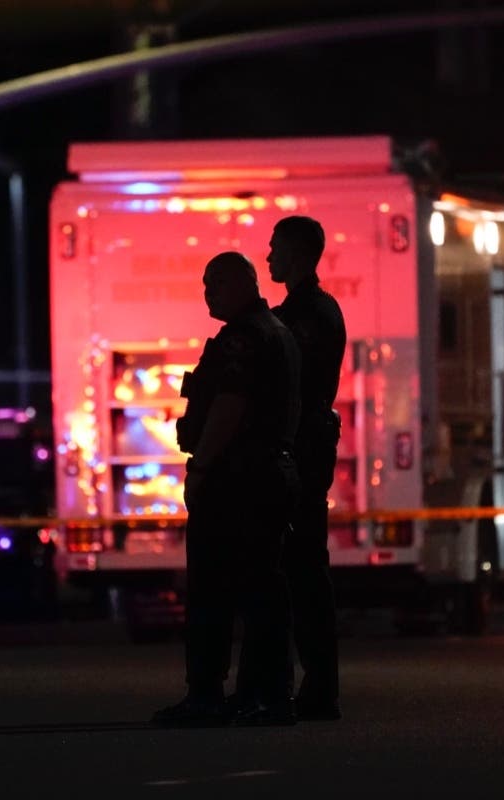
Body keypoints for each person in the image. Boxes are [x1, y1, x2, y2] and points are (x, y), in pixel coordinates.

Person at [152, 251, 301, 727]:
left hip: (237, 481)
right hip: (268, 475)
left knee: (216, 593)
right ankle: (263, 693)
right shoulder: (277, 332)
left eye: (214, 283)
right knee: (263, 591)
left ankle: (210, 696)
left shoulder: (242, 339)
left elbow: (229, 406)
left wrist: (199, 468)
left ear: (241, 284)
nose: (207, 293)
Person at [267, 215, 347, 721]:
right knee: (299, 570)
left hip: (302, 452)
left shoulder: (306, 316)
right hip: (306, 449)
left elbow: (289, 388)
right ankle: (313, 684)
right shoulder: (313, 309)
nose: (269, 256)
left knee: (302, 572)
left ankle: (318, 686)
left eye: (275, 248)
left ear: (296, 255)